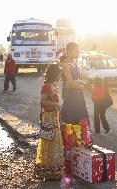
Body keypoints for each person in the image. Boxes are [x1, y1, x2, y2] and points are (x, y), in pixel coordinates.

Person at [60, 42, 92, 173]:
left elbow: (79, 80)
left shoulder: (74, 64)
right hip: (71, 99)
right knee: (71, 125)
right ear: (69, 51)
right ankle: (69, 156)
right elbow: (71, 84)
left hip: (78, 97)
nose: (78, 53)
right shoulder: (66, 65)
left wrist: (78, 83)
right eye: (76, 51)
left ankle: (80, 152)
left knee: (82, 121)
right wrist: (80, 84)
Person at [35, 64, 65, 180]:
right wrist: (56, 105)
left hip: (55, 116)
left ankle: (54, 168)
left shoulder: (54, 85)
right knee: (49, 140)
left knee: (55, 141)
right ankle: (47, 170)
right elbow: (42, 102)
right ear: (54, 74)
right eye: (59, 73)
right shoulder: (46, 86)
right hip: (48, 117)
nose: (60, 75)